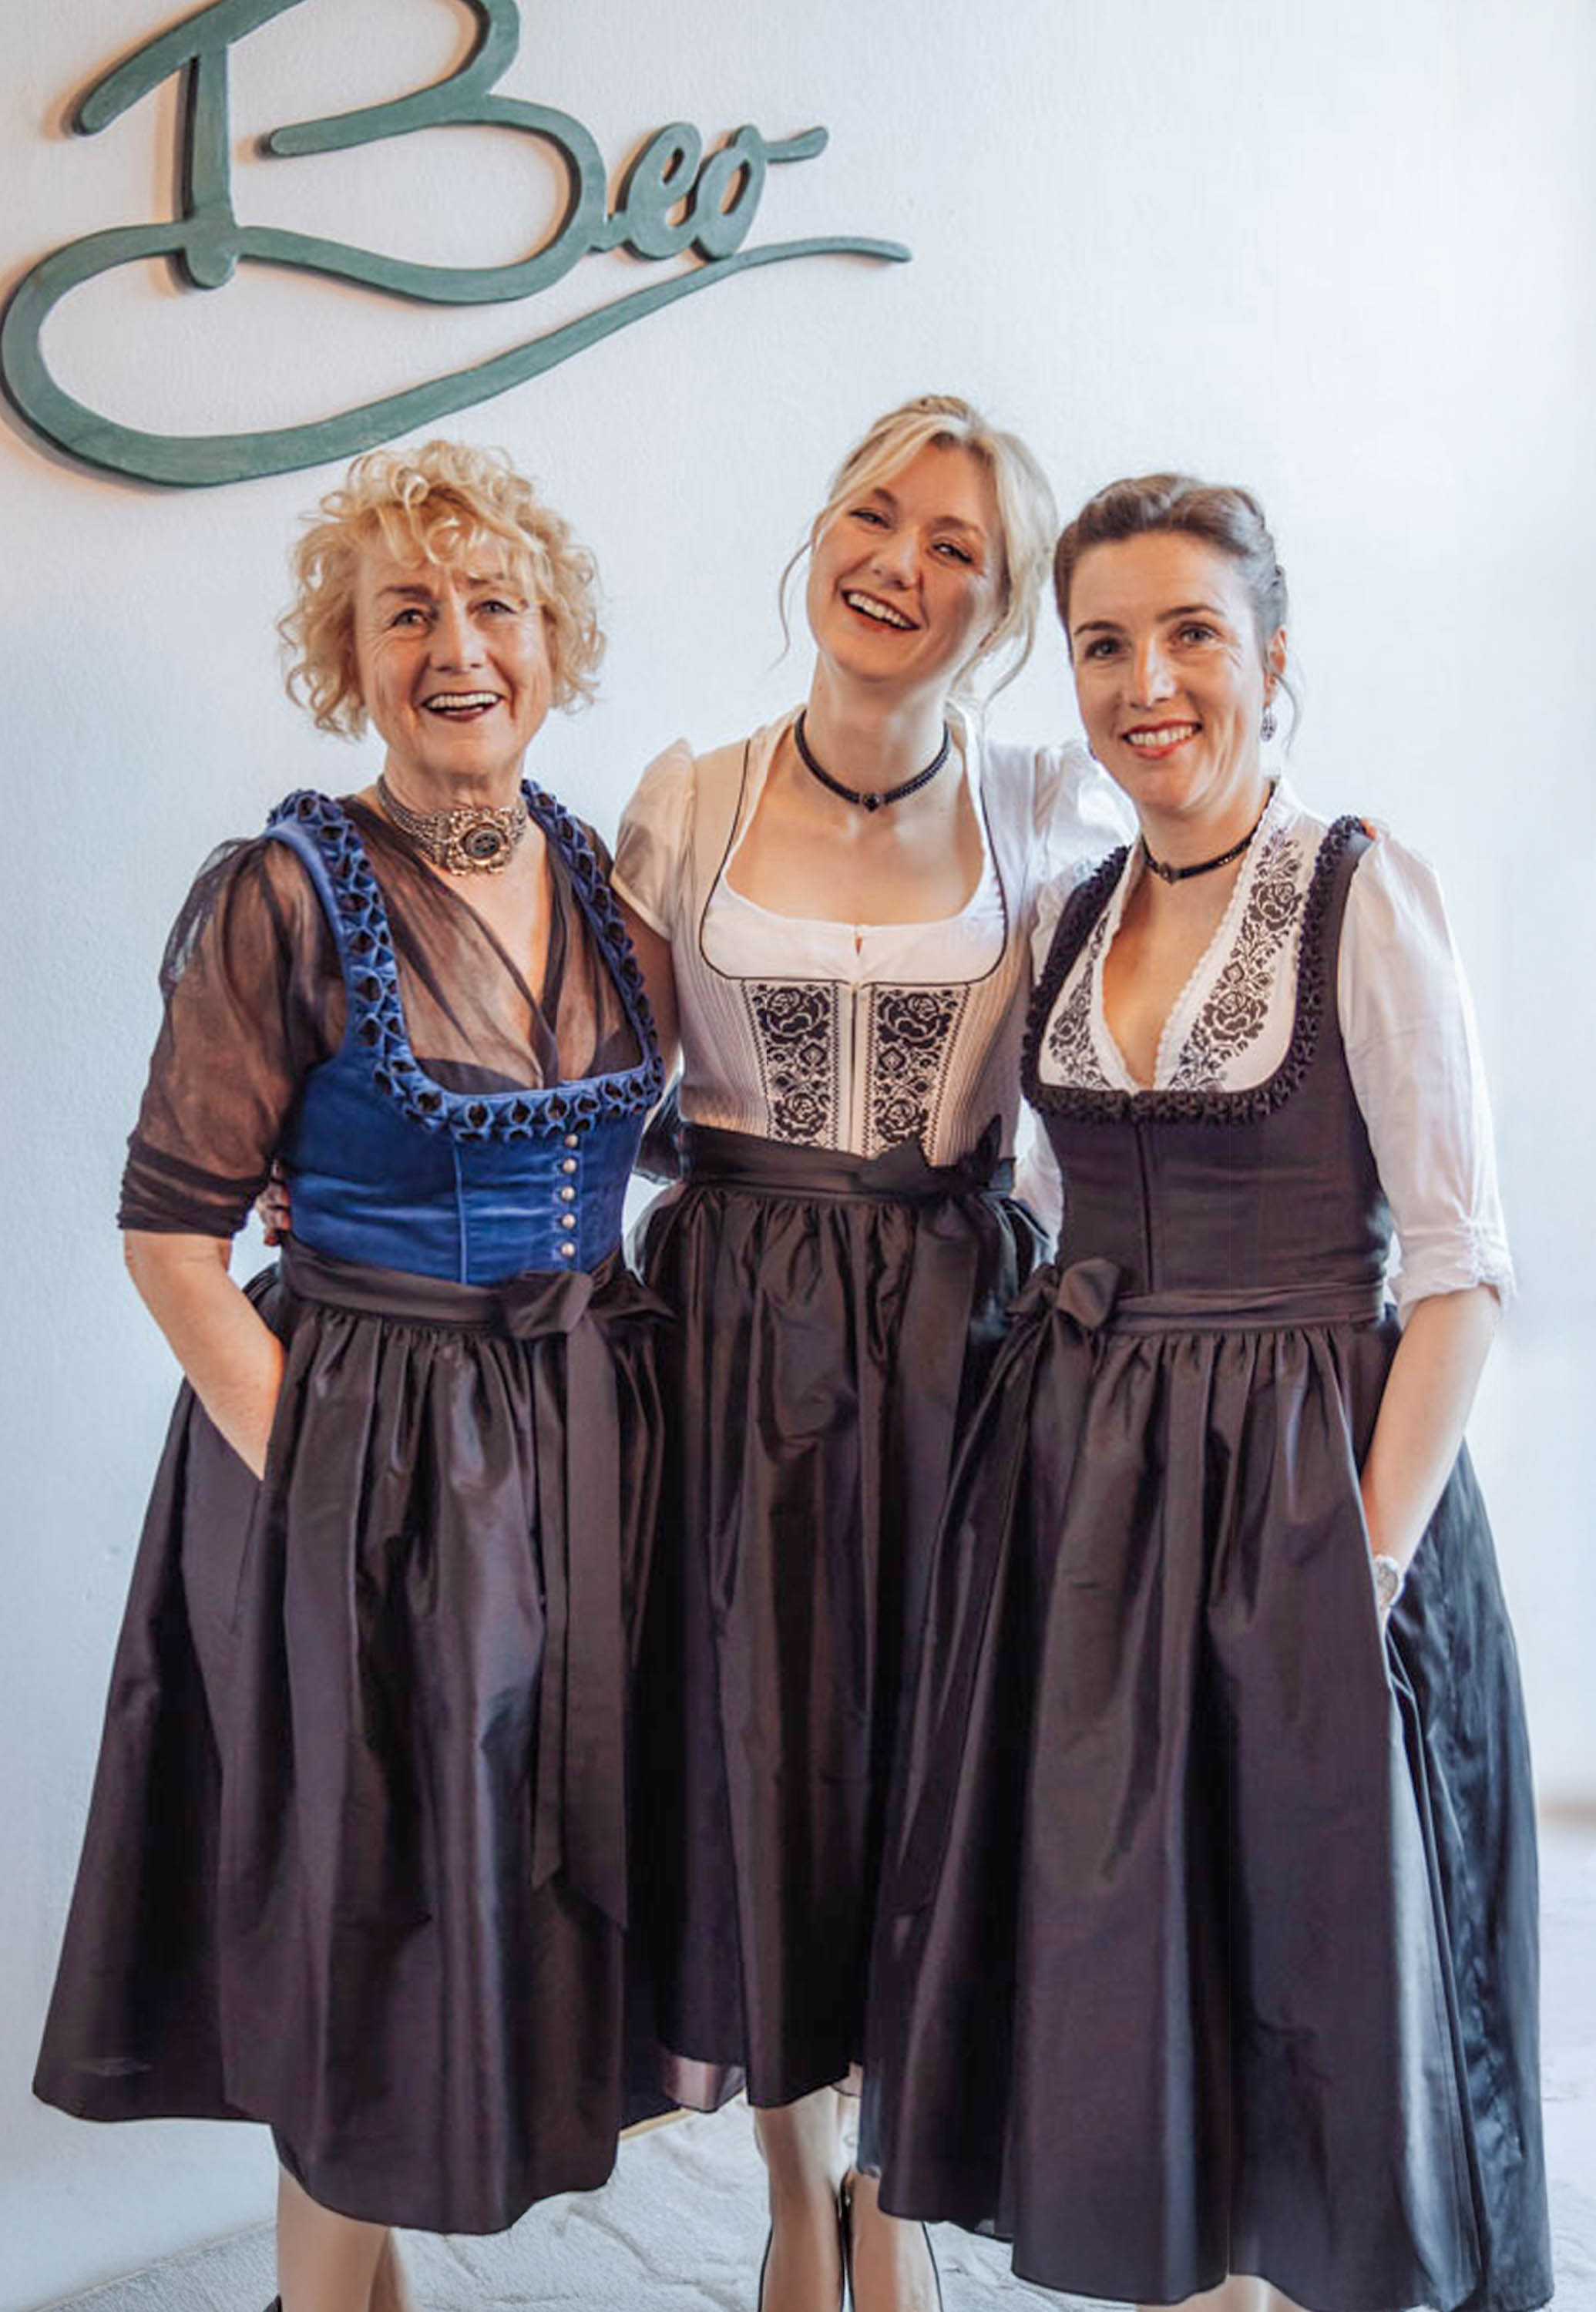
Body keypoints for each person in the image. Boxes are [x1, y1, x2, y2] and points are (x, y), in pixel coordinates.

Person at [866, 474, 1552, 2312]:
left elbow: (1459, 1268)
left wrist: (1361, 1566)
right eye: (1104, 645)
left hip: (1311, 1484)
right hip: (1095, 1500)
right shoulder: (1068, 916)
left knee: (1321, 1955)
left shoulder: (1359, 894)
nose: (1146, 682)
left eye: (1189, 635)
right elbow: (976, 1174)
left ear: (1270, 653)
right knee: (1134, 1960)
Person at [33, 441, 665, 2312]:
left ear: (553, 640)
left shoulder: (603, 880)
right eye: (408, 613)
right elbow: (171, 1241)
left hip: (572, 1450)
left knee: (493, 1884)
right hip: (357, 1464)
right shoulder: (287, 895)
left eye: (494, 606)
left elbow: (652, 1151)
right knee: (359, 1892)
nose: (458, 647)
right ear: (349, 655)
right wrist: (330, 1484)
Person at [613, 395, 1127, 2312]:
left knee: (933, 1761)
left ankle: (891, 2202)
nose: (899, 564)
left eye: (956, 547)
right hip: (727, 1337)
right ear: (820, 532)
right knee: (752, 1761)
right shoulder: (689, 798)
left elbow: (1123, 1074)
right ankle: (790, 2191)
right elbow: (598, 1096)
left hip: (953, 1335)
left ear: (998, 613)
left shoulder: (1045, 811)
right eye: (874, 516)